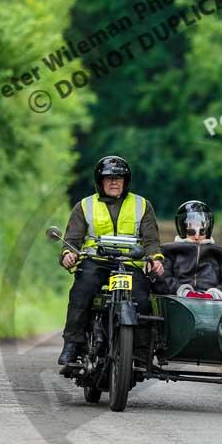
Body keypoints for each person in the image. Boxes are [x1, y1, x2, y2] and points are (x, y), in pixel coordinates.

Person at [58, 155, 164, 365]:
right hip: (95, 261)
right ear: (100, 181)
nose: (114, 182)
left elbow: (152, 240)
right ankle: (72, 344)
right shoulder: (84, 206)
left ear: (126, 181)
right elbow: (71, 240)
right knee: (82, 290)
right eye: (108, 178)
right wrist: (68, 255)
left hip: (129, 263)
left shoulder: (142, 205)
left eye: (119, 177)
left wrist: (155, 259)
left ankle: (142, 353)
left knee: (142, 300)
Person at [153, 200, 222, 299]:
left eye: (202, 231)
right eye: (191, 231)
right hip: (177, 302)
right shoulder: (167, 250)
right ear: (183, 229)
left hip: (215, 304)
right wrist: (183, 292)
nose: (197, 236)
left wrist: (215, 294)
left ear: (208, 229)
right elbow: (161, 277)